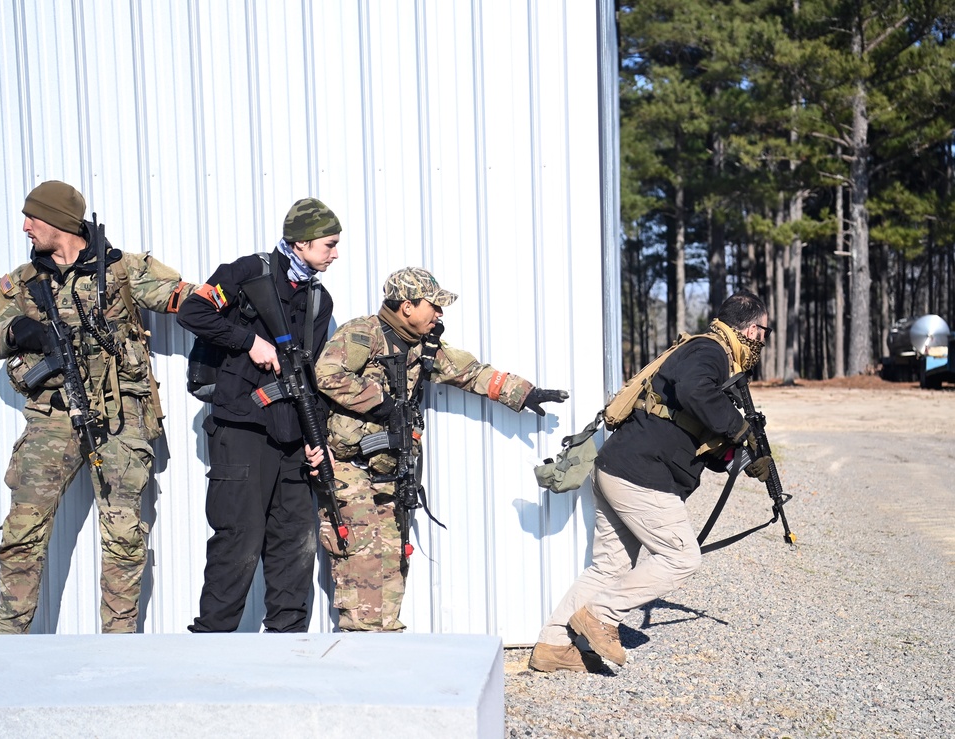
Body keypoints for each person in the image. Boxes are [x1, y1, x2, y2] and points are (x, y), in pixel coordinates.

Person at [0, 180, 197, 634]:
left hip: (118, 416)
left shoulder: (121, 270)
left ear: (58, 221)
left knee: (123, 535)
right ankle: (6, 642)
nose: (24, 227)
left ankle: (116, 645)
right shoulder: (22, 282)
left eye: (32, 219)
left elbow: (181, 297)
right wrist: (19, 329)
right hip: (52, 418)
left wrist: (230, 293)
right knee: (23, 530)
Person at [314, 266, 569, 632]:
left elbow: (471, 372)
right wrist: (382, 403)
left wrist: (525, 392)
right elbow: (327, 373)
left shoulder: (422, 344)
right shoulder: (362, 333)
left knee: (391, 553)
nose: (439, 313)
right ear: (407, 306)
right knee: (360, 555)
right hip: (350, 467)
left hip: (390, 464)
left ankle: (384, 633)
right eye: (433, 305)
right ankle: (361, 640)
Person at [530, 290, 772, 672]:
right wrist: (740, 429)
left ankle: (553, 646)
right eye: (764, 331)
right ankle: (600, 616)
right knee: (681, 557)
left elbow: (686, 423)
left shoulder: (704, 353)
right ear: (751, 328)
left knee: (609, 568)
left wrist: (739, 459)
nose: (763, 340)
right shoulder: (709, 351)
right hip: (641, 475)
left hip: (619, 467)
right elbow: (696, 393)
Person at [179, 197, 341, 633]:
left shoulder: (317, 299)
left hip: (292, 434)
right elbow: (191, 311)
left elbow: (313, 373)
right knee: (239, 539)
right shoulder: (247, 272)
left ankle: (288, 644)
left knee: (296, 543)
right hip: (242, 428)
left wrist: (316, 441)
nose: (335, 253)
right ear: (302, 243)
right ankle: (212, 639)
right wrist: (248, 342)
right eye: (329, 244)